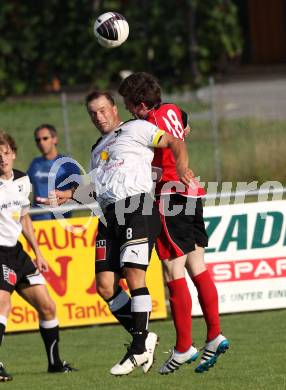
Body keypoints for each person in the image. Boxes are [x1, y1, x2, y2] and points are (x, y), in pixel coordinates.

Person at [47, 90, 194, 376]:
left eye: (103, 110)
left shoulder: (137, 128)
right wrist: (70, 194)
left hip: (137, 206)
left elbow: (173, 141)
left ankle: (138, 347)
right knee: (105, 286)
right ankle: (144, 336)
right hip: (108, 215)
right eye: (93, 113)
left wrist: (182, 166)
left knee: (133, 274)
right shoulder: (96, 148)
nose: (98, 116)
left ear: (114, 109)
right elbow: (99, 186)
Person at [118, 72, 229, 374]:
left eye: (129, 106)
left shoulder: (145, 125)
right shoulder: (174, 109)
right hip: (191, 190)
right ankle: (214, 334)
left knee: (172, 269)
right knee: (198, 265)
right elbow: (185, 126)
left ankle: (183, 347)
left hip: (168, 195)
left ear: (141, 105)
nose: (128, 111)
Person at [0, 131, 76, 382]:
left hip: (18, 253)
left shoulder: (23, 180)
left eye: (6, 152)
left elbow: (24, 217)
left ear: (13, 154)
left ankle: (54, 364)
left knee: (47, 306)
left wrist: (37, 252)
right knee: (3, 304)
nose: (2, 158)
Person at [27, 124, 80, 220]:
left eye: (45, 138)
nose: (41, 142)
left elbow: (80, 192)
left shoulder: (67, 163)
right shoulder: (35, 164)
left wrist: (63, 199)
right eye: (38, 140)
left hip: (60, 222)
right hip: (37, 221)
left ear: (55, 139)